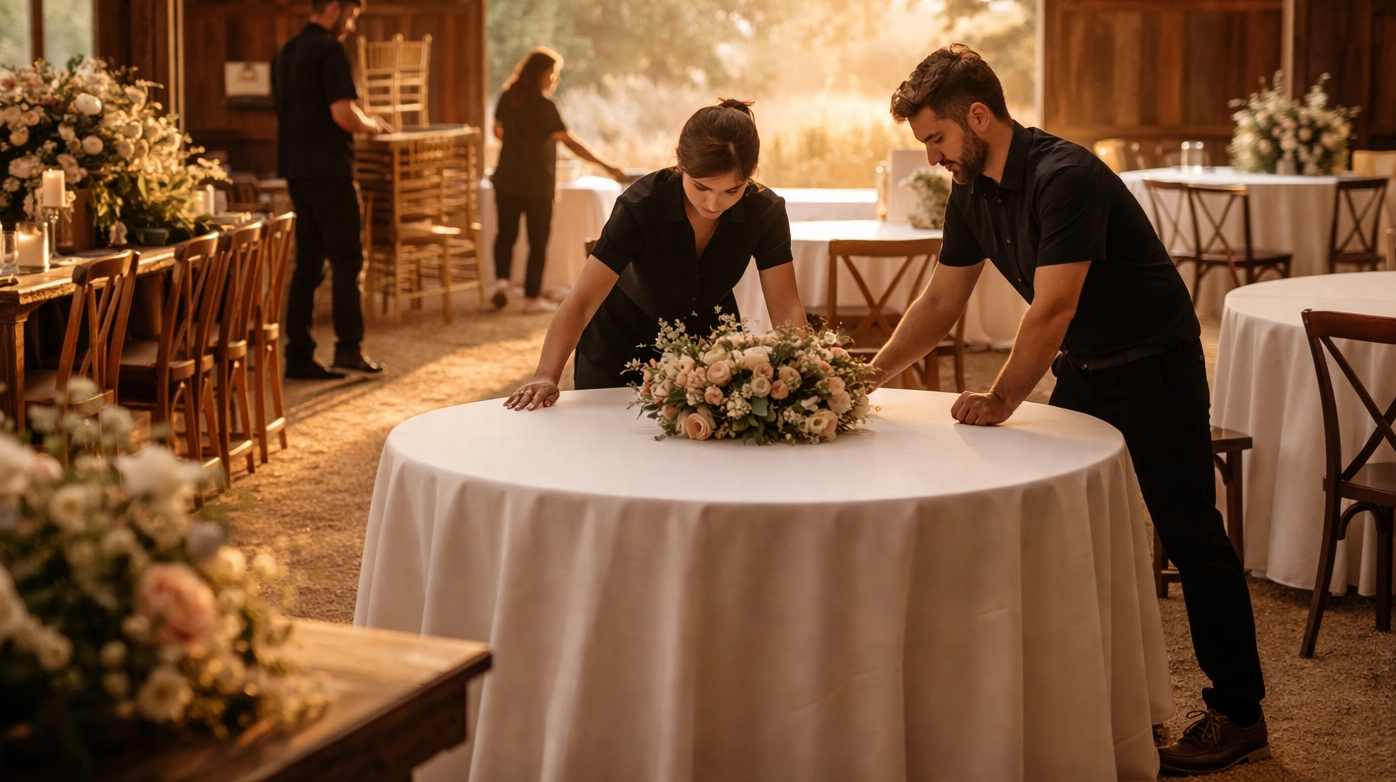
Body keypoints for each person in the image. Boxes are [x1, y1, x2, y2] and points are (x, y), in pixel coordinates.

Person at [868, 45, 1268, 775]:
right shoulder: (969, 190)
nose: (931, 156)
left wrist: (1001, 398)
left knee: (1190, 536)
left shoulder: (1067, 176)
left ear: (978, 117)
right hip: (1083, 369)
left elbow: (1052, 308)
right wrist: (867, 376)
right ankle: (1093, 704)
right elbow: (941, 301)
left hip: (1155, 367)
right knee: (1073, 533)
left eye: (936, 138)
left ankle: (1240, 715)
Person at [506, 99, 805, 409]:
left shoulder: (765, 211)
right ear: (680, 164)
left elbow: (786, 304)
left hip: (710, 360)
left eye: (732, 190)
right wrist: (546, 374)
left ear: (751, 175)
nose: (714, 204)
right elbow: (581, 301)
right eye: (701, 187)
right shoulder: (641, 205)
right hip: (618, 352)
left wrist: (803, 371)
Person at [272, 0, 391, 380]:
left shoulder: (286, 51)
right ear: (335, 8)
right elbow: (343, 114)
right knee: (347, 260)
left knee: (308, 262)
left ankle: (298, 355)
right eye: (351, 16)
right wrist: (373, 126)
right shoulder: (330, 49)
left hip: (295, 169)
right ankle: (348, 349)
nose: (351, 26)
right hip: (329, 170)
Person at [490, 47, 627, 313]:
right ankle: (532, 299)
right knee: (537, 241)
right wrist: (607, 165)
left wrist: (517, 142)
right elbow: (571, 143)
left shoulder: (508, 97)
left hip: (506, 179)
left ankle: (501, 284)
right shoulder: (546, 106)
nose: (555, 79)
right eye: (553, 74)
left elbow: (497, 131)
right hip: (538, 184)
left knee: (505, 234)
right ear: (540, 74)